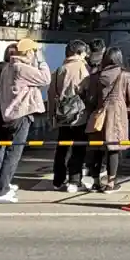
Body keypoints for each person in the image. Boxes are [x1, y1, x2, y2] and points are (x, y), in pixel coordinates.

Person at [0, 38, 50, 203]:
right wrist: (42, 61)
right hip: (21, 113)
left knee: (6, 152)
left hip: (8, 114)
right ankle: (1, 191)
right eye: (33, 52)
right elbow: (45, 78)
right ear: (28, 52)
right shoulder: (21, 68)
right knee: (14, 153)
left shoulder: (8, 67)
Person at [80, 47, 130, 193]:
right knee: (113, 149)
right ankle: (110, 183)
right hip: (117, 116)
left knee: (97, 149)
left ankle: (95, 182)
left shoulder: (97, 76)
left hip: (98, 116)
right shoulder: (124, 75)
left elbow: (90, 98)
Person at [49, 40, 90, 193]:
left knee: (62, 148)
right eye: (84, 53)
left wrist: (52, 115)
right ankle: (74, 180)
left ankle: (58, 179)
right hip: (79, 114)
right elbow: (86, 89)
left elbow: (51, 92)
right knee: (78, 148)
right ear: (79, 53)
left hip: (62, 114)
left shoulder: (60, 69)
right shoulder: (82, 68)